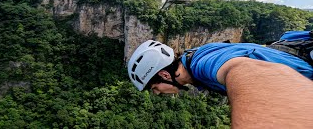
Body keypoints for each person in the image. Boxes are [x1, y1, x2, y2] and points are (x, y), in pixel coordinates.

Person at [128, 32, 313, 128]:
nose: (157, 93)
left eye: (154, 88)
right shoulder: (192, 57)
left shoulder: (203, 64)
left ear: (165, 75)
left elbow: (245, 70)